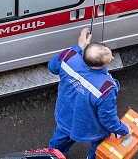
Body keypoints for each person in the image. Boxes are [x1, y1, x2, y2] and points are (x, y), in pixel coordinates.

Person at [47, 28, 129, 159]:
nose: (112, 57)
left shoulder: (69, 57)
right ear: (104, 64)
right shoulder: (106, 88)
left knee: (59, 141)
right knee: (99, 146)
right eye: (110, 56)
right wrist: (122, 129)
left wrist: (79, 46)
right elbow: (107, 119)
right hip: (89, 128)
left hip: (65, 116)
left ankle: (53, 155)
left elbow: (52, 67)